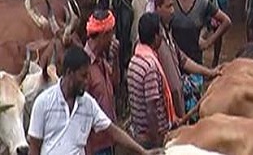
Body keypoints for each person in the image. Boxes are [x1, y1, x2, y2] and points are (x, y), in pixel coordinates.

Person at [28, 46, 158, 155]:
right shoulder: (43, 103)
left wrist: (143, 152)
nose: (86, 81)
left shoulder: (88, 104)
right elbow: (34, 146)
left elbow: (113, 131)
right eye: (83, 76)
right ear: (69, 73)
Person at [150, 0, 220, 118]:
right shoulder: (158, 40)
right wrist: (181, 116)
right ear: (157, 8)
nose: (172, 11)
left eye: (173, 6)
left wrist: (209, 72)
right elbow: (175, 86)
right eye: (168, 6)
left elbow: (183, 59)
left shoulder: (166, 31)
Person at [127, 13, 175, 148]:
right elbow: (151, 109)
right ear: (155, 37)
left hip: (139, 130)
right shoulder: (150, 67)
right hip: (150, 136)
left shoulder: (135, 59)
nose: (162, 36)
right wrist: (156, 141)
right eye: (160, 33)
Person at [174, 0, 231, 68]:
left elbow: (226, 21)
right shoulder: (172, 2)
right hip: (175, 64)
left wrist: (208, 42)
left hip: (196, 65)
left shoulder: (202, 3)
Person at [84, 10, 119, 155]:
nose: (114, 39)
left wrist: (115, 59)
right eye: (111, 34)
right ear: (104, 35)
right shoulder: (84, 67)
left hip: (109, 141)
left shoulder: (101, 60)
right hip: (95, 146)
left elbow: (115, 83)